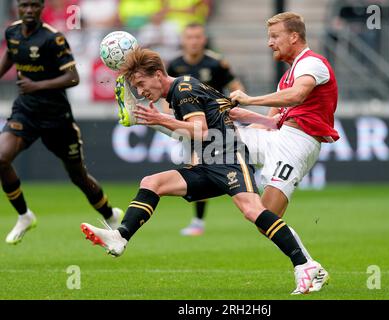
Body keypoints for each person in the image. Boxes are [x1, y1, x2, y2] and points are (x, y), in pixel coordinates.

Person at [80, 47, 323, 295]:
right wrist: (267, 122)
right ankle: (120, 237)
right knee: (152, 182)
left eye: (141, 83)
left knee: (253, 211)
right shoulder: (182, 90)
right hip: (207, 162)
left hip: (228, 157)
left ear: (157, 74)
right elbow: (223, 109)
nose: (141, 91)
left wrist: (159, 120)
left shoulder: (183, 90)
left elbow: (201, 131)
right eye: (136, 87)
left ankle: (305, 264)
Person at [228, 12, 339, 291]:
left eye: (275, 36)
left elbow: (299, 95)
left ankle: (309, 267)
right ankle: (159, 122)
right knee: (218, 142)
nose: (269, 43)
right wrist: (247, 115)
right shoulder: (286, 77)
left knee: (266, 213)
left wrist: (251, 98)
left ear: (294, 36)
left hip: (298, 144)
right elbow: (272, 122)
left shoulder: (313, 63)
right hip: (279, 138)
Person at [0, 0, 123, 245]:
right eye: (24, 5)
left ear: (42, 7)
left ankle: (110, 215)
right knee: (1, 158)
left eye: (34, 6)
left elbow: (73, 77)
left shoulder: (52, 39)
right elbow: (9, 59)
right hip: (25, 111)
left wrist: (37, 85)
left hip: (57, 118)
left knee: (78, 176)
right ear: (17, 7)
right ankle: (25, 215)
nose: (29, 11)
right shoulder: (12, 31)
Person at [167, 22, 245, 236]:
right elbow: (168, 96)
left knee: (201, 167)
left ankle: (199, 221)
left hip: (216, 127)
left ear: (204, 39)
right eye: (189, 37)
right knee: (197, 167)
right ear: (183, 40)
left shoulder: (216, 63)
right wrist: (167, 118)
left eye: (197, 37)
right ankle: (200, 220)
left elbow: (237, 88)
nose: (193, 42)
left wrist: (229, 108)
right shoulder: (174, 65)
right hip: (191, 126)